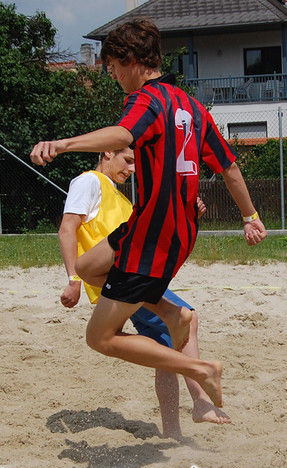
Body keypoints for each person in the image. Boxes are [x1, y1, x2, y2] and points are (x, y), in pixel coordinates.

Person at [31, 19, 267, 409]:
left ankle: (202, 369)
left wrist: (63, 144)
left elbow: (124, 135)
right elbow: (229, 167)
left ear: (133, 60)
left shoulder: (146, 99)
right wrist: (250, 216)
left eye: (112, 67)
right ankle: (173, 313)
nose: (112, 75)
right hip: (171, 230)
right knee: (88, 267)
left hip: (151, 237)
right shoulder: (192, 106)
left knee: (100, 338)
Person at [59, 147, 231, 437]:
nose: (131, 169)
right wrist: (73, 278)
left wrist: (189, 212)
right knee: (186, 318)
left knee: (163, 348)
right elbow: (67, 229)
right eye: (127, 161)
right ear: (106, 153)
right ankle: (200, 398)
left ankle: (173, 432)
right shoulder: (88, 181)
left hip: (130, 276)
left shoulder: (119, 198)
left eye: (135, 164)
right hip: (119, 281)